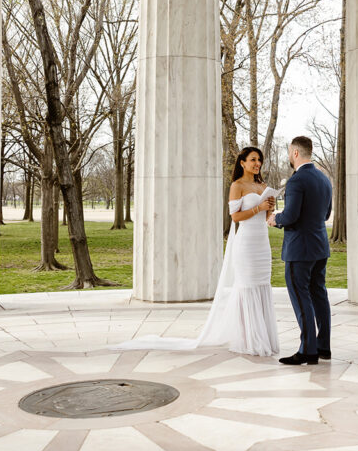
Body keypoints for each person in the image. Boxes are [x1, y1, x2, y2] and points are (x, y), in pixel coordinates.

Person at [113, 147, 279, 357]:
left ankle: (263, 336)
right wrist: (258, 207)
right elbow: (235, 217)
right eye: (253, 160)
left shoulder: (263, 186)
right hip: (245, 244)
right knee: (246, 287)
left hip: (262, 243)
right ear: (242, 163)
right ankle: (249, 339)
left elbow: (265, 218)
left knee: (261, 286)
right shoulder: (237, 186)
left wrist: (269, 208)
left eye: (259, 160)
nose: (257, 164)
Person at [267, 136, 333, 365]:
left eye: (288, 152)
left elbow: (291, 215)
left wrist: (276, 219)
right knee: (319, 295)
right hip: (320, 247)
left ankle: (308, 350)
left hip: (300, 250)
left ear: (295, 152)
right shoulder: (324, 179)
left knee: (300, 295)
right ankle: (323, 346)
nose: (288, 156)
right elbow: (326, 215)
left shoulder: (296, 181)